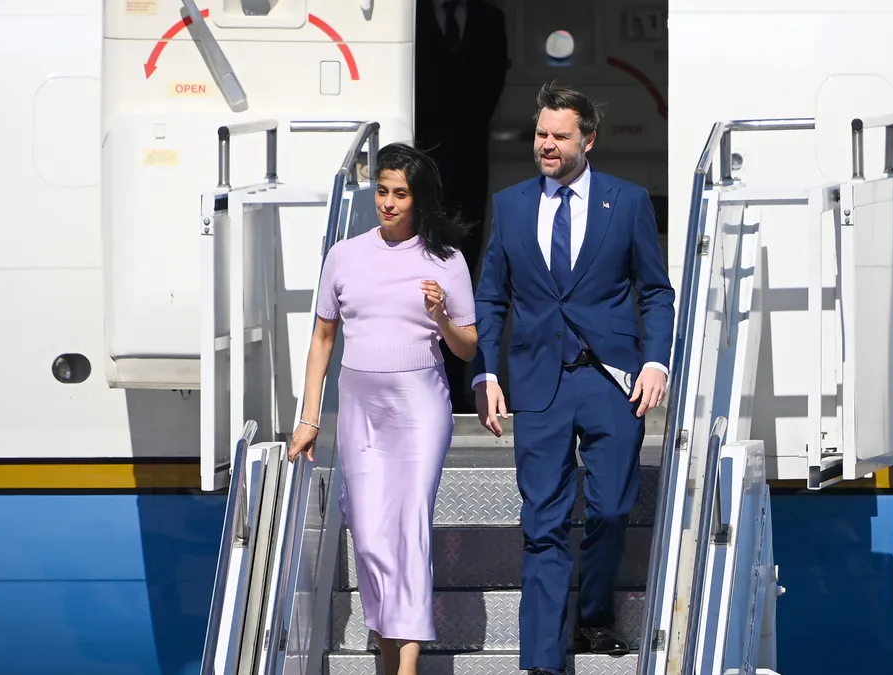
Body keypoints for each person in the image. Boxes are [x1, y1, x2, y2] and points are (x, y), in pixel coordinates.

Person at [471, 83, 676, 675]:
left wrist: (656, 362)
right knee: (543, 522)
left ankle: (592, 616)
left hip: (613, 381)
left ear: (588, 140)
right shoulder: (510, 205)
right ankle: (542, 660)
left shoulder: (627, 201)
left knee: (610, 509)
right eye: (541, 134)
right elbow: (491, 298)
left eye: (560, 136)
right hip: (540, 382)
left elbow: (655, 291)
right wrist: (487, 373)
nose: (547, 145)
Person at [288, 142, 477, 675]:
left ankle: (407, 662)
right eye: (383, 191)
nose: (388, 203)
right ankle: (390, 643)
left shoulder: (447, 260)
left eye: (401, 194)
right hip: (361, 405)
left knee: (409, 527)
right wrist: (308, 418)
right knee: (369, 533)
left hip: (420, 404)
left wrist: (440, 317)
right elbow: (323, 338)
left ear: (420, 200)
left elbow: (467, 348)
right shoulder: (344, 255)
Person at [414, 0, 509, 412]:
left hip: (470, 167)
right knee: (421, 269)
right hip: (423, 166)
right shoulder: (412, 15)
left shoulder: (489, 18)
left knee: (464, 270)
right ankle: (426, 380)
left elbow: (490, 88)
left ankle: (457, 385)